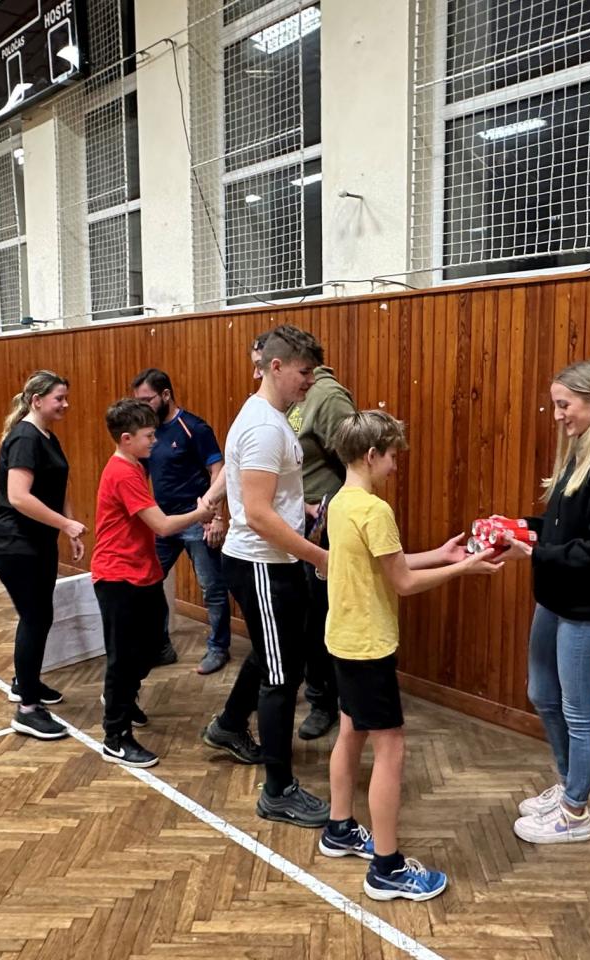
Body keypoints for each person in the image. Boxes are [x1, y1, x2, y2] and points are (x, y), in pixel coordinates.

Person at [318, 410, 502, 900]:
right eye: (392, 456)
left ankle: (339, 828)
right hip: (368, 646)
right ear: (371, 455)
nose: (395, 465)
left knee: (351, 731)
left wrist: (442, 555)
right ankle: (386, 868)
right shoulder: (374, 510)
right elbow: (402, 581)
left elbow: (385, 564)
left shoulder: (340, 501)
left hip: (343, 640)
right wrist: (464, 570)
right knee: (391, 748)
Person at [505, 358, 590, 844]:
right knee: (543, 693)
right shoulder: (582, 451)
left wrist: (536, 552)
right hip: (556, 596)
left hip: (588, 607)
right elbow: (566, 528)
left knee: (579, 711)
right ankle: (568, 784)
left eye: (565, 405)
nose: (558, 415)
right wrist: (522, 529)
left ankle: (575, 812)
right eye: (555, 405)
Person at [199, 324, 331, 827]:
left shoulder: (274, 418)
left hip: (274, 560)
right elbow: (255, 513)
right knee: (281, 677)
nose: (310, 381)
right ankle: (278, 791)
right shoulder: (264, 427)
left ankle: (230, 726)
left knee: (269, 652)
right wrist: (318, 557)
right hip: (261, 564)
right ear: (276, 367)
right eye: (304, 371)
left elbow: (269, 497)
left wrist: (304, 508)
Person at [92, 398, 215, 767]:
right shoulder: (122, 472)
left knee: (151, 648)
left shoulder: (135, 465)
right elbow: (161, 525)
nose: (155, 441)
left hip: (142, 573)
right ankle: (115, 736)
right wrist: (200, 512)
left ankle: (123, 697)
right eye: (148, 436)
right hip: (118, 577)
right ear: (127, 439)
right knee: (122, 658)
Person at [0, 370, 86, 741]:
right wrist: (66, 525)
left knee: (40, 616)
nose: (65, 404)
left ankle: (26, 682)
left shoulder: (47, 436)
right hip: (13, 544)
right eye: (59, 398)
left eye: (66, 397)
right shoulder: (25, 437)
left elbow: (59, 485)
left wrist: (69, 526)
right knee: (35, 617)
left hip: (36, 543)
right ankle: (27, 709)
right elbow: (19, 497)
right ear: (36, 400)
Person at [131, 368, 231, 675]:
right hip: (163, 522)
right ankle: (161, 647)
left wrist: (216, 516)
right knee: (150, 583)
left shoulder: (194, 428)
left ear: (166, 395)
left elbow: (218, 471)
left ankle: (218, 648)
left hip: (198, 521)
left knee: (212, 588)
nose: (142, 407)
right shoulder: (148, 433)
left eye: (147, 400)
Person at [287, 361, 356, 740]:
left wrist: (337, 511)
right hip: (298, 521)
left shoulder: (328, 397)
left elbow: (356, 460)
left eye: (260, 365)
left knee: (320, 615)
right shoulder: (292, 398)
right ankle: (312, 689)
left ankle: (324, 701)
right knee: (303, 613)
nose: (256, 374)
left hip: (324, 525)